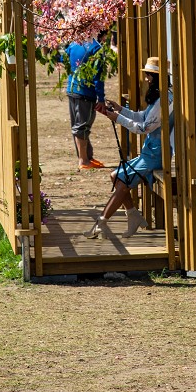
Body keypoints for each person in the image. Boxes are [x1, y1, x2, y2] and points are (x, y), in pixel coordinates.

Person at [84, 56, 174, 240]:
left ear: (157, 77)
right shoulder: (162, 96)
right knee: (115, 176)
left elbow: (144, 128)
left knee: (121, 181)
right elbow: (142, 117)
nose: (147, 79)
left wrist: (116, 118)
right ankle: (133, 215)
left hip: (157, 154)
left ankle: (101, 223)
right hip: (151, 150)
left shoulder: (165, 99)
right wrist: (120, 110)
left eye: (149, 75)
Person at [62, 30, 109, 170]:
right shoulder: (96, 48)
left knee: (77, 124)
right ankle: (83, 160)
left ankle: (88, 156)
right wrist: (101, 98)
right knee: (83, 125)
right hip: (85, 92)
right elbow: (98, 77)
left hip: (72, 89)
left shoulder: (74, 43)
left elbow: (64, 58)